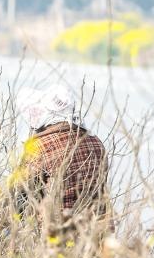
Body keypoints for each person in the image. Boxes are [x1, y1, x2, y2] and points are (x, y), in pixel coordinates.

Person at [14, 84, 109, 231]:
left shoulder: (40, 147)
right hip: (99, 236)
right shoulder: (97, 143)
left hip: (59, 237)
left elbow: (21, 200)